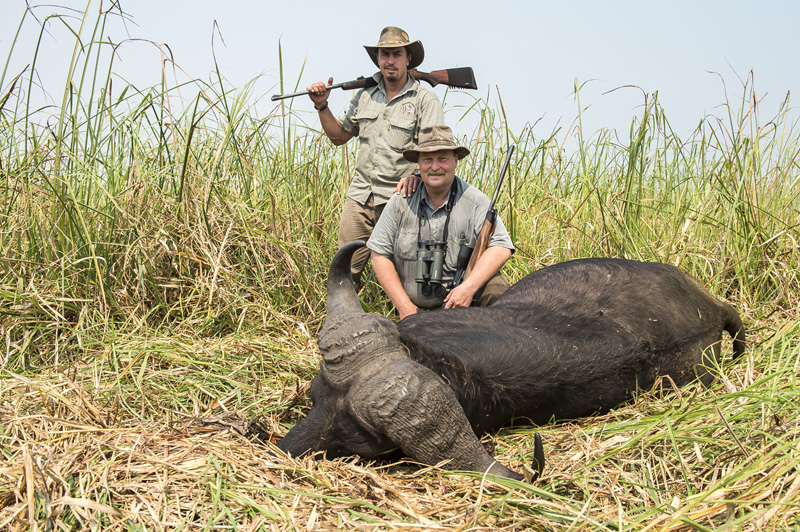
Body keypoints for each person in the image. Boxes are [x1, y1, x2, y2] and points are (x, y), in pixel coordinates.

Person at [306, 26, 445, 282]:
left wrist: (416, 173)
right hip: (360, 198)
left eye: (396, 54)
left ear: (408, 58)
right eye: (384, 54)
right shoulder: (364, 94)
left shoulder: (425, 99)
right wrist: (321, 105)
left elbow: (435, 151)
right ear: (378, 58)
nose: (390, 60)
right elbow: (339, 137)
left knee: (404, 277)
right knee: (344, 275)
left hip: (401, 200)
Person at [367, 125, 514, 319]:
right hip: (414, 311)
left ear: (456, 161)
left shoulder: (476, 201)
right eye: (427, 159)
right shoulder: (400, 201)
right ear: (418, 164)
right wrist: (405, 307)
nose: (435, 167)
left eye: (442, 159)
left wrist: (467, 289)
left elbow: (501, 247)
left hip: (461, 305)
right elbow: (378, 253)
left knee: (498, 289)